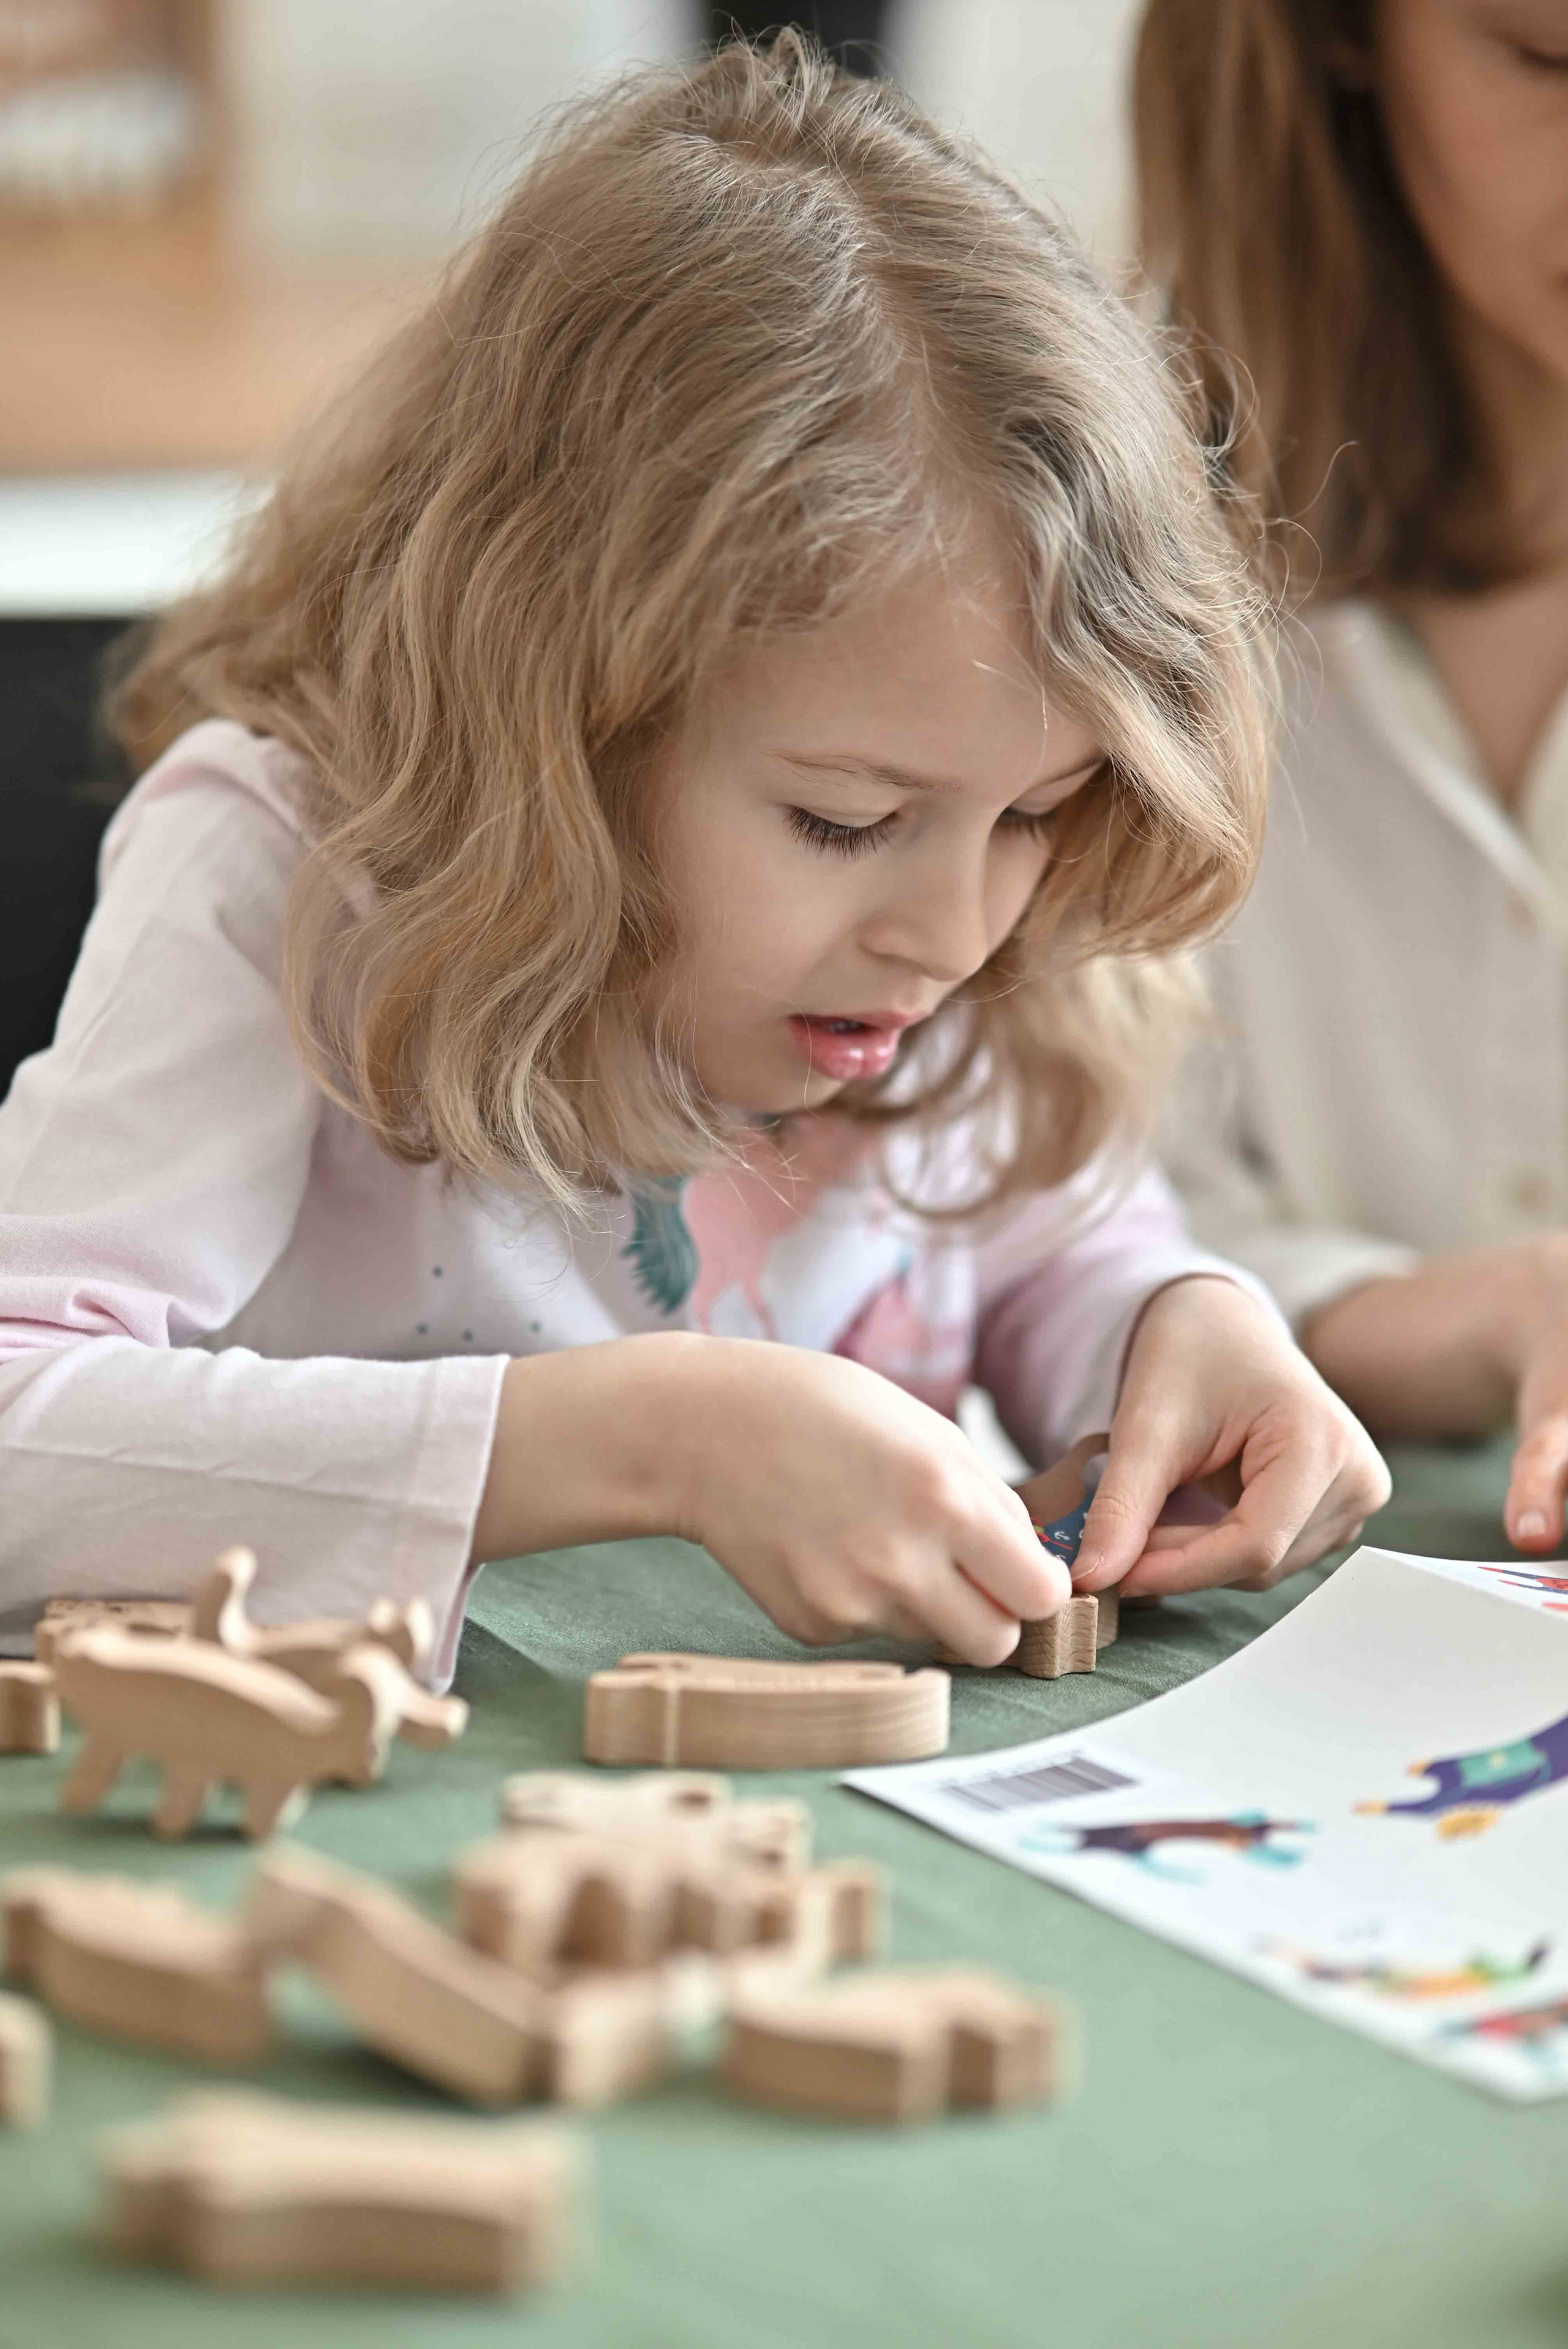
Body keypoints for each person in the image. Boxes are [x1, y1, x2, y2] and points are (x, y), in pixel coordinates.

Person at [0, 39, 1382, 1679]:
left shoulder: (986, 947)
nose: (951, 927)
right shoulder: (287, 878)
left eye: (1034, 813)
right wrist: (659, 1440)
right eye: (844, 824)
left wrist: (1184, 1328)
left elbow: (1065, 1245)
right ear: (564, 716)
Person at [1135, 0, 1568, 1551]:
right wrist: (1500, 1308)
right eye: (1545, 58)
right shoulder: (1093, 548)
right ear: (1334, 34)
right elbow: (1045, 1223)